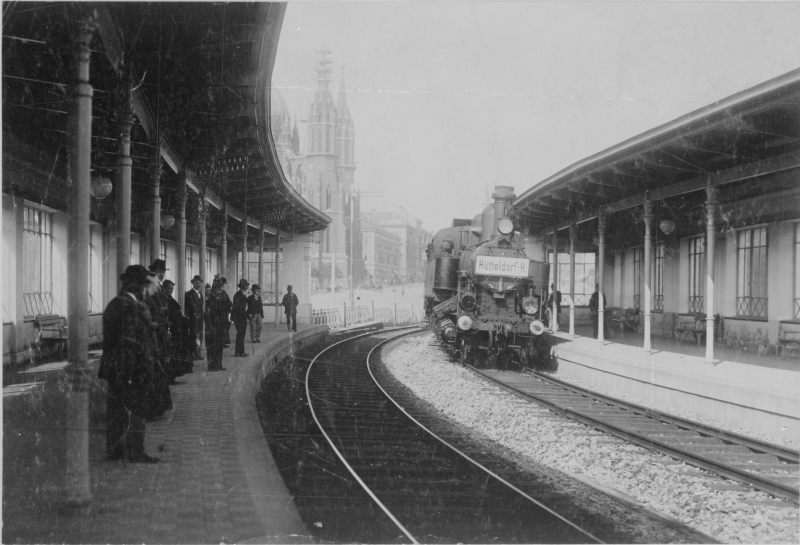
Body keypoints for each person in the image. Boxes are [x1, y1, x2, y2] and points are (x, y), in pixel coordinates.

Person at [97, 265, 160, 464]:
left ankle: (116, 451)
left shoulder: (115, 304)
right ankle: (134, 453)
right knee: (135, 412)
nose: (145, 290)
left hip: (116, 370)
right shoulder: (129, 307)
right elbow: (129, 344)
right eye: (143, 285)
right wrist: (132, 373)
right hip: (130, 372)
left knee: (116, 411)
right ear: (135, 286)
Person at [144, 259, 172, 418]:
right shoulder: (149, 287)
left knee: (159, 369)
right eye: (159, 272)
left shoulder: (158, 286)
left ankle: (158, 406)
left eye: (163, 272)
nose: (162, 275)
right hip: (153, 334)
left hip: (160, 333)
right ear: (153, 272)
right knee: (154, 370)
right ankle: (152, 408)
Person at [162, 280, 193, 381]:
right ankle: (169, 376)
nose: (171, 290)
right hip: (171, 329)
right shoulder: (164, 299)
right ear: (164, 288)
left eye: (172, 288)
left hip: (177, 329)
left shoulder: (170, 299)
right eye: (169, 288)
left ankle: (172, 376)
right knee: (171, 353)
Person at [205, 276, 231, 371]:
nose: (218, 289)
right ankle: (212, 365)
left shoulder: (223, 294)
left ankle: (218, 365)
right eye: (217, 286)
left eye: (220, 286)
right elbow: (207, 312)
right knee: (212, 346)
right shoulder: (210, 297)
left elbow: (229, 305)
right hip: (212, 324)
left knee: (219, 345)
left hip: (221, 323)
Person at [184, 275, 204, 360]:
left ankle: (198, 353)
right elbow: (188, 308)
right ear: (193, 283)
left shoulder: (200, 294)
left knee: (200, 336)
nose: (198, 285)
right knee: (194, 336)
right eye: (196, 283)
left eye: (199, 283)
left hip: (199, 319)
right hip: (192, 320)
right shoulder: (188, 294)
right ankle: (194, 354)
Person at [231, 279, 250, 357]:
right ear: (242, 287)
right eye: (245, 286)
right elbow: (238, 307)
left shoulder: (242, 294)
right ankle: (238, 352)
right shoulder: (238, 295)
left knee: (241, 334)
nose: (246, 287)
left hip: (242, 317)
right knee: (240, 334)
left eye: (246, 286)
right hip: (239, 318)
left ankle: (241, 351)